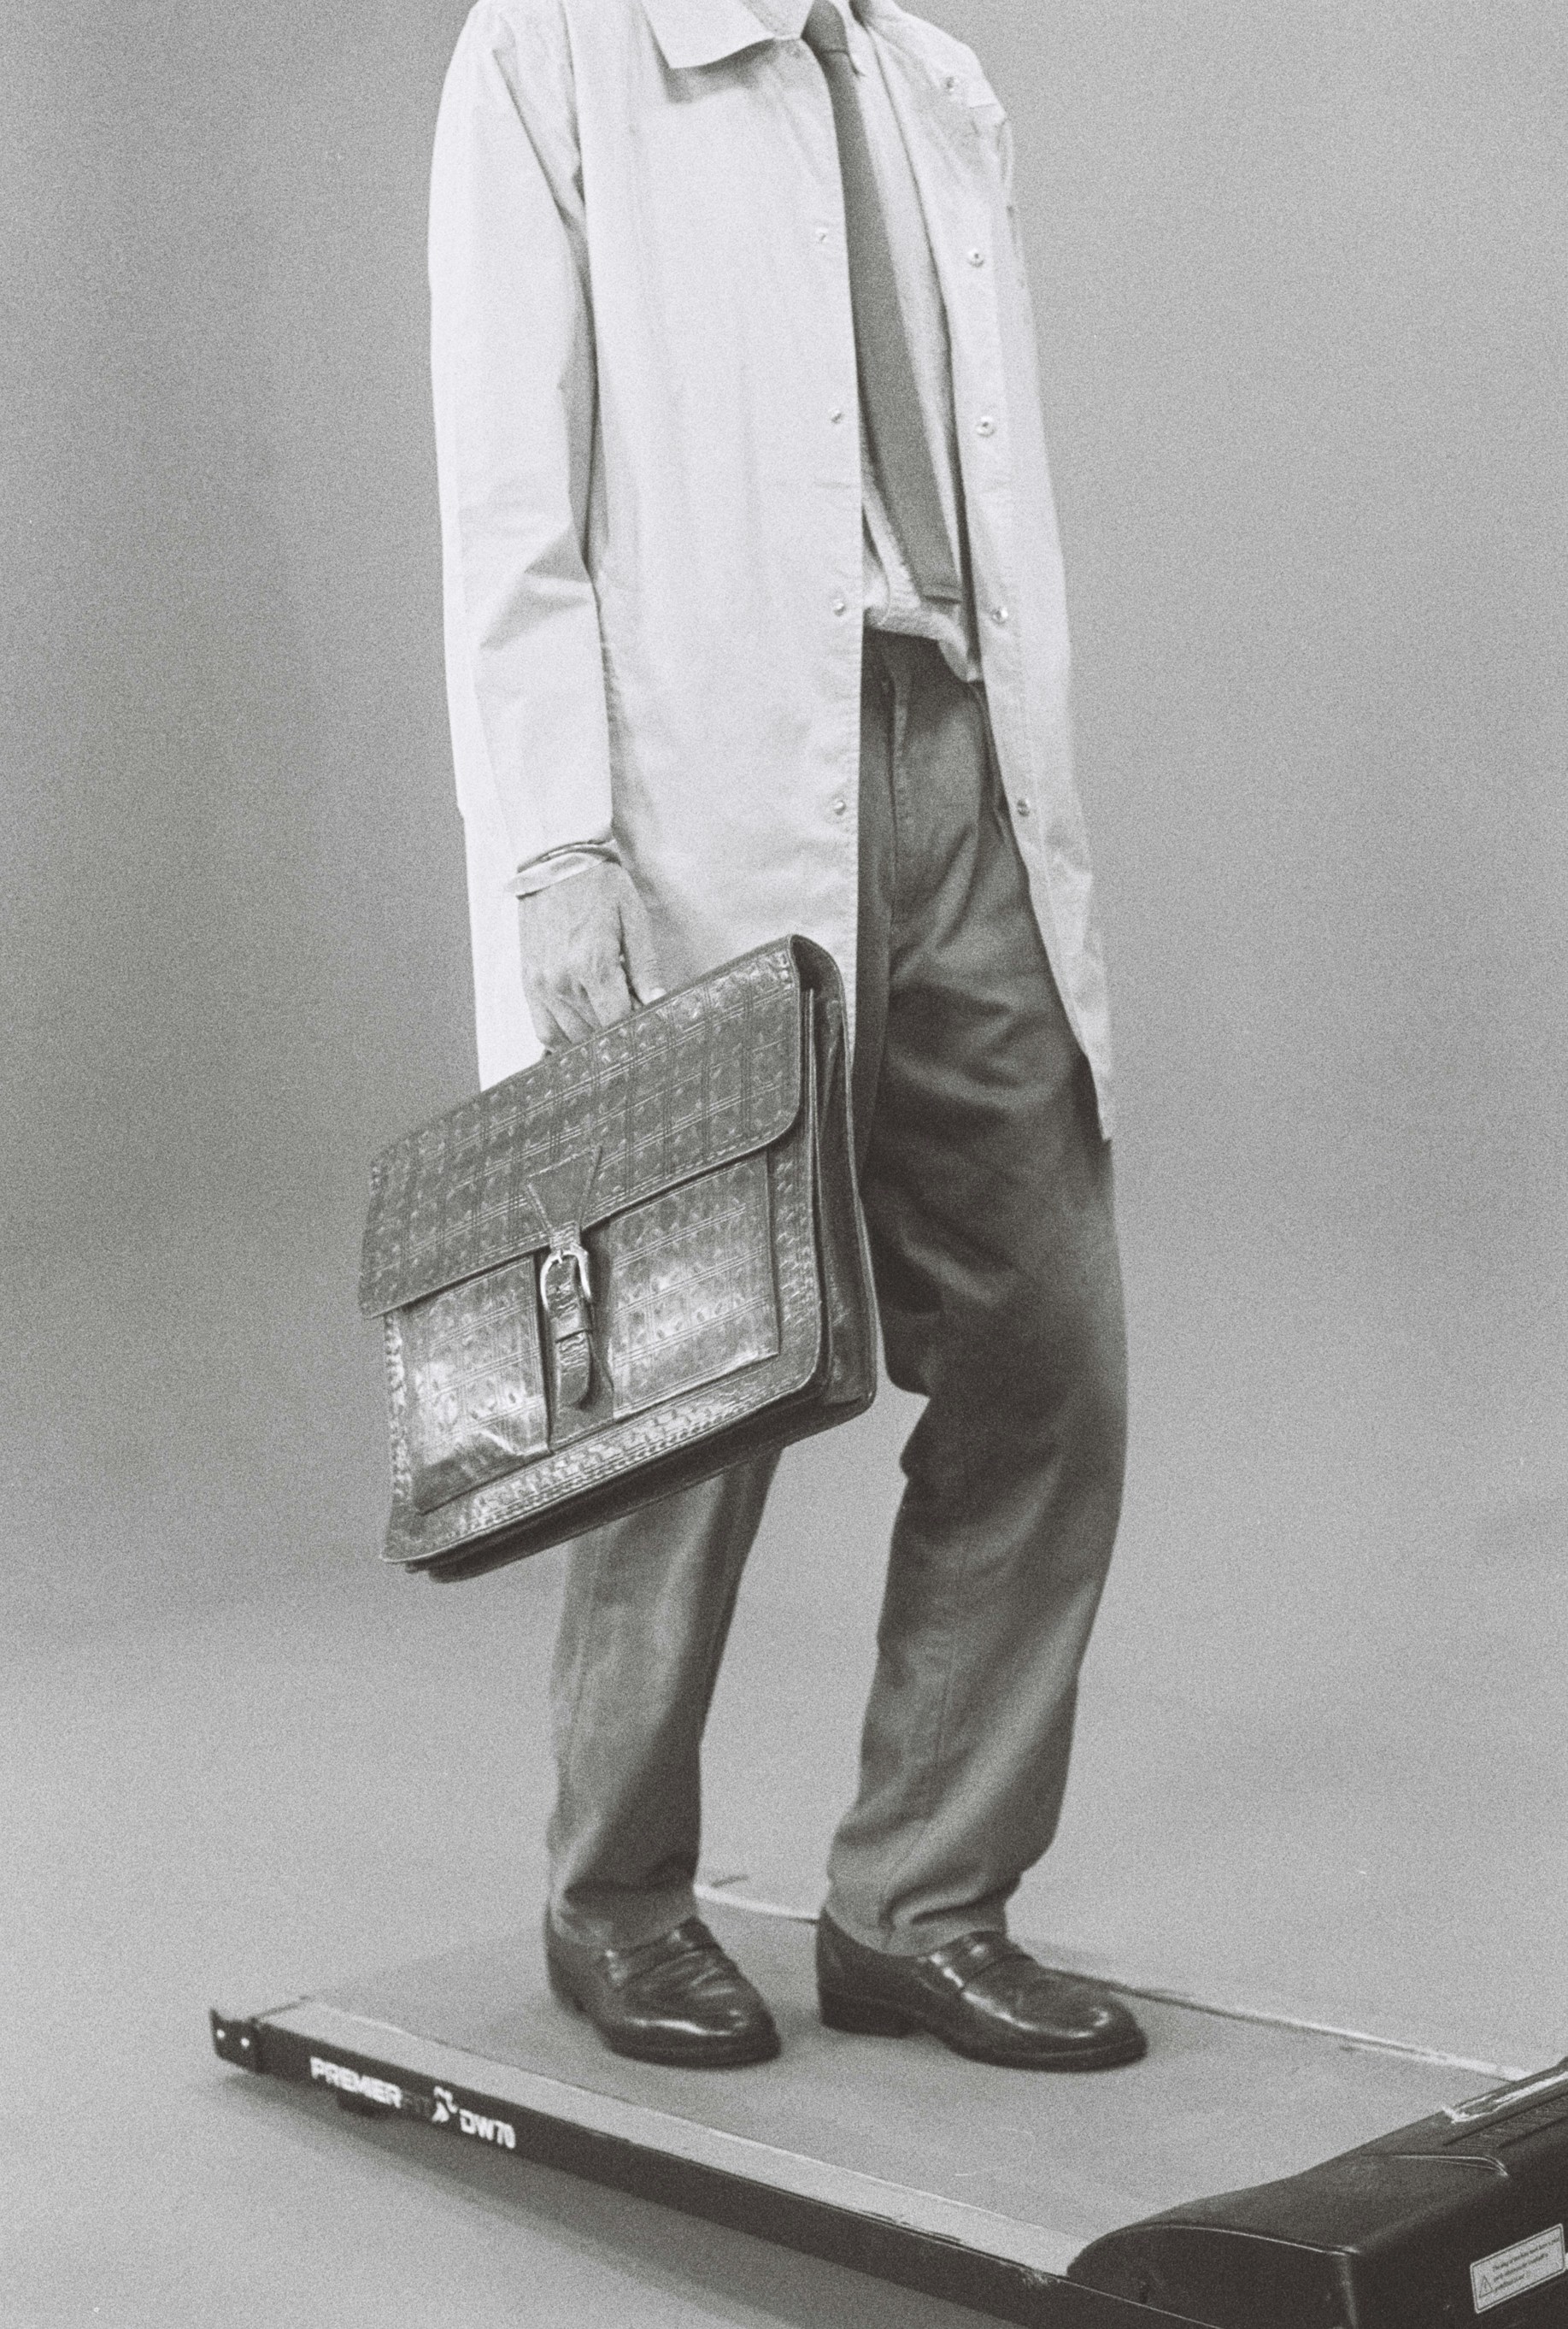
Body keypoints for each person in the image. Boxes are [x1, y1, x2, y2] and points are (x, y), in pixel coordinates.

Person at [428, 0, 1144, 2073]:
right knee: (691, 1386)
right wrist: (556, 846)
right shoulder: (555, 54)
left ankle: (922, 1900)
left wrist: (1007, 769)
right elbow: (507, 494)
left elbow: (987, 472)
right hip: (709, 791)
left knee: (1048, 1354)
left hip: (965, 762)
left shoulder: (921, 73)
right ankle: (617, 1901)